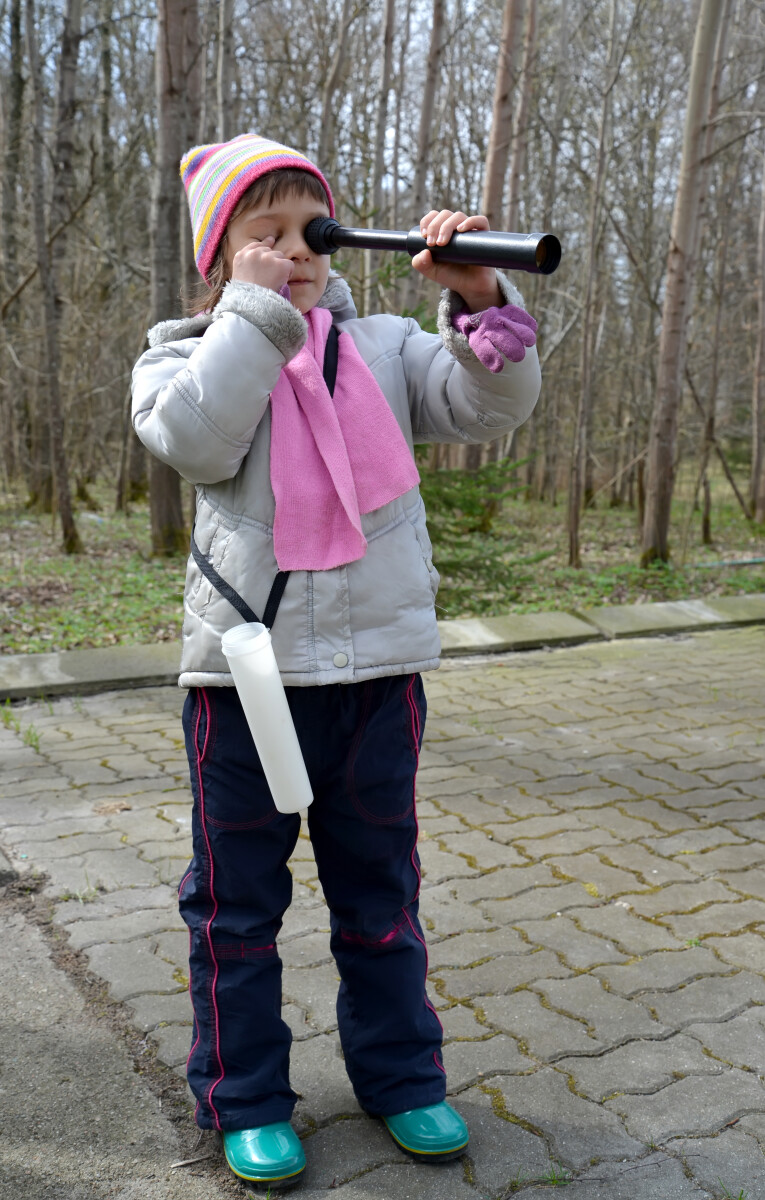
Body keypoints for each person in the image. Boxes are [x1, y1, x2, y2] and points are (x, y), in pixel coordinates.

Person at [132, 132, 541, 1189]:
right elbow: (195, 440)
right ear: (217, 258)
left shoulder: (388, 348)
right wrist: (257, 320)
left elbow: (491, 408)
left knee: (380, 892)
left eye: (307, 231)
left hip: (375, 680)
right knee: (234, 903)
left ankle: (403, 1078)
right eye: (260, 235)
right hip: (246, 683)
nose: (291, 254)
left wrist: (477, 295)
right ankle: (246, 1095)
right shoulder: (183, 353)